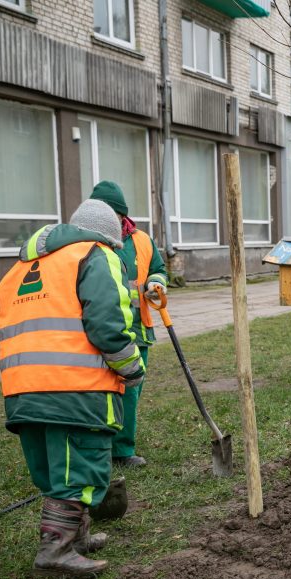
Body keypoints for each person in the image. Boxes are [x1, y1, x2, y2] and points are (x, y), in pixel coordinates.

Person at [0, 199, 146, 577]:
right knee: (81, 464)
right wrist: (131, 366)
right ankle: (56, 550)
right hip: (74, 387)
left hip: (23, 389)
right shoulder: (96, 254)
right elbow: (108, 320)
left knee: (53, 468)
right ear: (110, 237)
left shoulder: (23, 267)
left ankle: (75, 538)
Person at [89, 181, 168, 467]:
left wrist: (156, 284)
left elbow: (158, 269)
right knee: (102, 390)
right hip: (100, 331)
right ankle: (110, 448)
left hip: (138, 330)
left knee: (131, 392)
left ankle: (121, 448)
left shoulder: (142, 241)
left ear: (123, 216)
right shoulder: (89, 244)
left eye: (116, 215)